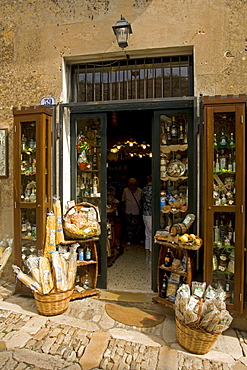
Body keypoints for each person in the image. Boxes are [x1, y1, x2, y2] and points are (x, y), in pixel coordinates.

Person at [121, 178, 143, 245]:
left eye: (134, 185)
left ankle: (138, 239)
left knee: (138, 227)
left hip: (137, 211)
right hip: (128, 211)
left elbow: (142, 200)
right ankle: (129, 240)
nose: (133, 187)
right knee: (129, 227)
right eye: (131, 185)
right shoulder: (125, 191)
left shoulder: (140, 191)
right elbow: (123, 200)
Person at [142, 175, 152, 263]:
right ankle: (152, 256)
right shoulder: (152, 189)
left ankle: (147, 255)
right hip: (151, 213)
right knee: (152, 235)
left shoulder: (144, 189)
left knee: (147, 234)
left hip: (145, 213)